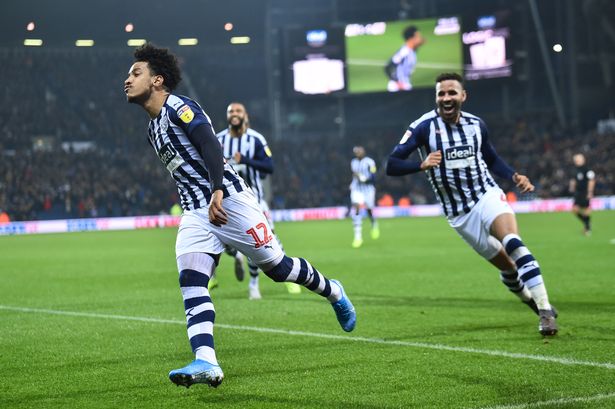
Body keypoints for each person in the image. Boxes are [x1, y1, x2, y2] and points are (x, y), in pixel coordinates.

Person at [124, 44, 356, 388]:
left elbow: (210, 145)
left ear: (157, 80)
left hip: (230, 201)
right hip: (196, 213)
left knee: (278, 269)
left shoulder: (179, 108)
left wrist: (217, 189)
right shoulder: (152, 130)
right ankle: (207, 361)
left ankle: (333, 291)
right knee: (191, 282)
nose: (127, 80)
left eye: (136, 73)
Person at [386, 72, 558, 336]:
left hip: (486, 195)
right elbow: (392, 164)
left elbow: (491, 158)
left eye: (452, 92)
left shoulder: (477, 125)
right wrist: (420, 165)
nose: (446, 98)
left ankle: (545, 311)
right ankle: (532, 302)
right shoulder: (423, 127)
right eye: (441, 93)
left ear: (463, 96)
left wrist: (514, 176)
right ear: (436, 98)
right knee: (507, 268)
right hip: (459, 215)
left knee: (512, 242)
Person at [217, 102, 301, 299]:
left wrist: (246, 160)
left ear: (245, 115)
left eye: (238, 111)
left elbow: (269, 166)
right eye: (230, 111)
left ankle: (263, 282)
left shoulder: (255, 139)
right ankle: (237, 256)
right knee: (224, 242)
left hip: (254, 200)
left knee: (268, 239)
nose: (234, 114)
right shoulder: (218, 139)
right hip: (227, 201)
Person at [350, 146, 379, 248]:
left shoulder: (370, 162)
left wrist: (364, 179)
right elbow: (354, 175)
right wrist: (354, 181)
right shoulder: (353, 162)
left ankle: (374, 223)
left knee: (369, 209)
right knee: (356, 207)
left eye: (359, 151)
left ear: (363, 152)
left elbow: (373, 176)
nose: (358, 153)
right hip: (357, 189)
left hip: (368, 190)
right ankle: (358, 237)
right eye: (356, 152)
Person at [385, 25, 425, 92]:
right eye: (417, 37)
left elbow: (416, 46)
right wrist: (397, 82)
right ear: (411, 39)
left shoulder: (412, 50)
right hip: (398, 86)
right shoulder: (404, 52)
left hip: (405, 83)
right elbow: (388, 67)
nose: (420, 38)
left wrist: (421, 42)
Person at [569, 153, 595, 236]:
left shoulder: (587, 169)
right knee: (574, 210)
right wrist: (572, 187)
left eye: (578, 159)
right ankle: (587, 223)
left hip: (585, 192)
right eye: (575, 160)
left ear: (583, 160)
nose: (576, 161)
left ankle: (587, 228)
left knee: (586, 209)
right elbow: (574, 179)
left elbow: (591, 180)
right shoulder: (575, 170)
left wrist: (590, 192)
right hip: (578, 192)